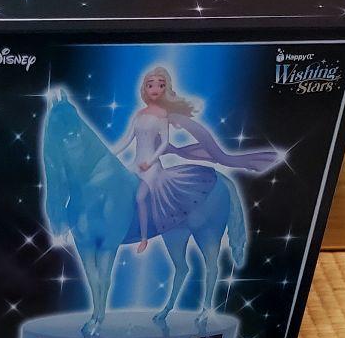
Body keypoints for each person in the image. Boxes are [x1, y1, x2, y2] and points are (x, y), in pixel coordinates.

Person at [112, 66, 280, 254]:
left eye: (161, 85)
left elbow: (164, 143)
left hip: (152, 168)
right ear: (144, 88)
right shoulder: (139, 115)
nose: (155, 89)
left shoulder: (162, 115)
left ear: (165, 89)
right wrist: (110, 153)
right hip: (135, 165)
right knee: (118, 190)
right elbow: (127, 139)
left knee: (140, 196)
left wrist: (150, 162)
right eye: (150, 85)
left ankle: (143, 238)